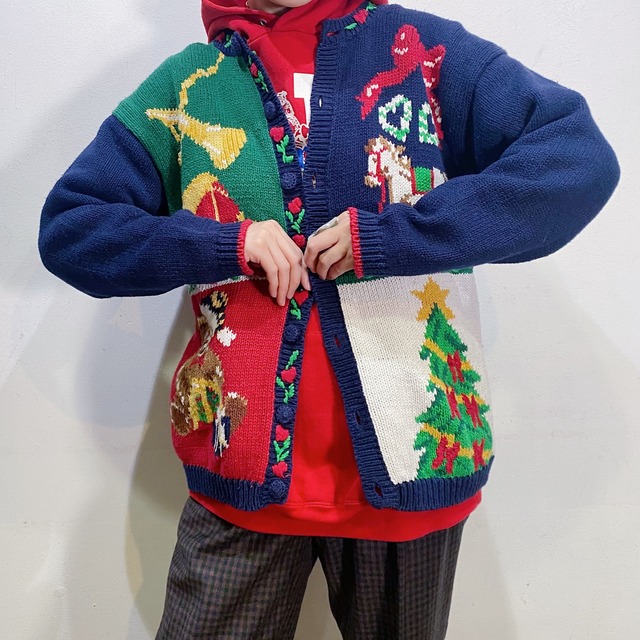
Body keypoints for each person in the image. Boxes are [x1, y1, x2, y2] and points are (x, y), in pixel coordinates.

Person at [38, 0, 619, 638]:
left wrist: (396, 236)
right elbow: (73, 227)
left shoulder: (421, 52)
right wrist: (225, 243)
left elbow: (577, 158)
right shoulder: (191, 83)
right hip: (239, 484)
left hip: (414, 470)